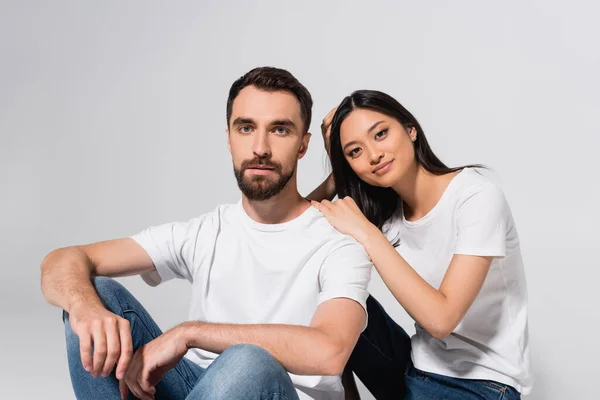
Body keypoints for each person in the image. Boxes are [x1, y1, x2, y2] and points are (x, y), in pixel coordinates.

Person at [40, 67, 373, 400]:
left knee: (249, 361)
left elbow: (330, 352)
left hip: (281, 393)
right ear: (229, 139)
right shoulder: (204, 233)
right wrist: (85, 308)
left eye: (280, 130)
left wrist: (190, 333)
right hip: (198, 388)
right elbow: (63, 260)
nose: (260, 147)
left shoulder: (339, 241)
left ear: (303, 145)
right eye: (246, 128)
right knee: (96, 292)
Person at [308, 90, 533, 399]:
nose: (374, 155)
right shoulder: (386, 216)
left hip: (482, 385)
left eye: (381, 134)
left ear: (410, 129)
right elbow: (295, 234)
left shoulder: (476, 197)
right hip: (414, 368)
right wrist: (337, 174)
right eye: (355, 151)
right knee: (329, 300)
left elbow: (442, 320)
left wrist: (366, 233)